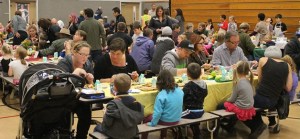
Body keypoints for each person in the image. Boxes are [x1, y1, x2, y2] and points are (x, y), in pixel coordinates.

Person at [243, 46, 292, 138]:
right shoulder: (287, 65)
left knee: (240, 101)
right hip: (274, 101)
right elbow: (288, 88)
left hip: (261, 98)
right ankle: (267, 123)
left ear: (266, 54)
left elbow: (260, 80)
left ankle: (258, 125)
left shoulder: (263, 60)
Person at [57, 41, 94, 139]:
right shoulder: (64, 63)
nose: (85, 58)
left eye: (87, 55)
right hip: (64, 98)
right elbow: (61, 85)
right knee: (65, 117)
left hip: (80, 98)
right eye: (82, 54)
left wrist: (90, 81)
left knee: (86, 113)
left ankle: (81, 137)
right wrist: (75, 73)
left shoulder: (88, 64)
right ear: (74, 52)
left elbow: (90, 86)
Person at [94, 73, 144, 138]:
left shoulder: (113, 104)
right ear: (130, 86)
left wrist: (105, 113)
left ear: (115, 87)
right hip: (132, 133)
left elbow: (107, 123)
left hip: (116, 134)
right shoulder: (136, 102)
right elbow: (139, 119)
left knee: (97, 127)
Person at [142, 70, 184, 139]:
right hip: (177, 118)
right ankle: (163, 136)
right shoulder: (179, 90)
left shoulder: (161, 94)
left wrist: (153, 123)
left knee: (146, 118)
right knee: (165, 113)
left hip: (166, 120)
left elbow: (158, 112)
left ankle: (144, 138)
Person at [217, 61, 256, 133]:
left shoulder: (238, 83)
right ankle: (229, 125)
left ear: (237, 70)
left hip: (241, 108)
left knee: (220, 105)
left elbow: (231, 99)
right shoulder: (249, 81)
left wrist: (225, 100)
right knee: (230, 105)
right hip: (249, 107)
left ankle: (217, 127)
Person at [181, 63, 207, 139]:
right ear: (201, 73)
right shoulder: (204, 84)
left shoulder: (188, 86)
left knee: (174, 116)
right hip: (201, 110)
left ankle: (182, 135)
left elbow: (182, 97)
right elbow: (205, 94)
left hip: (190, 112)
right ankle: (196, 132)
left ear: (187, 74)